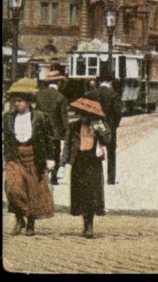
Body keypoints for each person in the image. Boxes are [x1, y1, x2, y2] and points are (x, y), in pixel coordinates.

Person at [2, 78, 56, 236]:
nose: (16, 104)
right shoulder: (8, 118)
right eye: (14, 101)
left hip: (33, 156)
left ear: (27, 101)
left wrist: (50, 158)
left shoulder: (39, 117)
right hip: (15, 157)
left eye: (19, 101)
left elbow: (48, 138)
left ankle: (30, 223)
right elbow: (6, 138)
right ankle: (20, 218)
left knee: (32, 191)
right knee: (13, 189)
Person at [62, 96, 110, 238]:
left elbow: (108, 139)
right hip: (78, 161)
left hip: (93, 162)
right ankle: (85, 222)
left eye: (86, 114)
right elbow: (67, 145)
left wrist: (99, 129)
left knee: (91, 194)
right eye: (80, 114)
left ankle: (89, 225)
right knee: (80, 194)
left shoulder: (99, 124)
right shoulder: (74, 126)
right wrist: (63, 163)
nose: (83, 117)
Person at [88, 70, 122, 184]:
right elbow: (118, 113)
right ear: (110, 81)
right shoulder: (114, 95)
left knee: (93, 151)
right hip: (110, 127)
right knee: (111, 152)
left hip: (94, 126)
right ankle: (111, 179)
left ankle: (95, 178)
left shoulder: (92, 94)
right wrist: (114, 125)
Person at [35, 71, 68, 184]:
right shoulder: (61, 97)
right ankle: (53, 177)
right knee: (55, 152)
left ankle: (41, 176)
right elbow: (64, 117)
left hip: (40, 129)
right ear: (58, 82)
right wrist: (66, 132)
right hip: (55, 131)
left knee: (41, 151)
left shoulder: (38, 94)